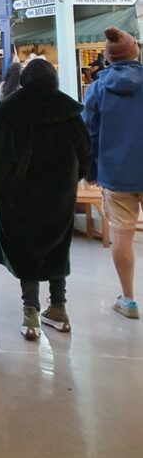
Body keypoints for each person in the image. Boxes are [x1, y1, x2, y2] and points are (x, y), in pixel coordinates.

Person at [0, 58, 90, 339]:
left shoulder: (8, 113)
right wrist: (70, 180)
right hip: (59, 195)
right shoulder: (68, 112)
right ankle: (58, 308)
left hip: (19, 197)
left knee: (26, 249)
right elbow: (85, 153)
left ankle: (30, 314)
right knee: (58, 247)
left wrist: (3, 189)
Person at [83, 27, 143, 320]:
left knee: (122, 235)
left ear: (108, 59)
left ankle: (129, 300)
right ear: (135, 52)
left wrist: (91, 170)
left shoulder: (97, 88)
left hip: (116, 174)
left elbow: (89, 133)